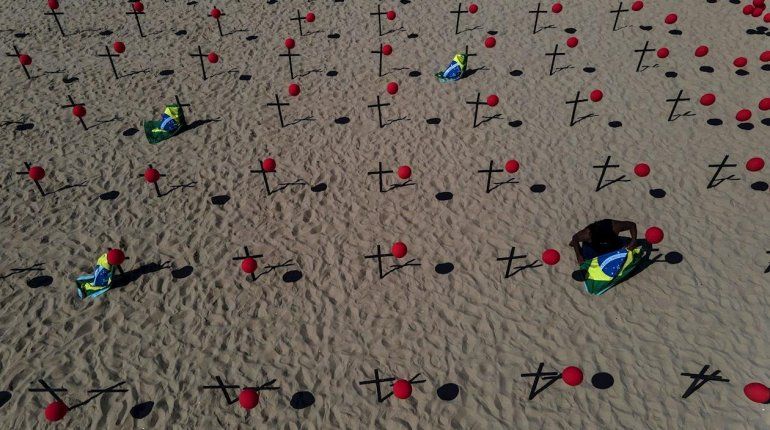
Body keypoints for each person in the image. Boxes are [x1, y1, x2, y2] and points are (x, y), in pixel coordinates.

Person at [569, 219, 637, 264]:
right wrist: (578, 255)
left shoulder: (615, 227)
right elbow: (575, 238)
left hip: (611, 242)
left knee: (623, 251)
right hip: (595, 246)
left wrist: (633, 242)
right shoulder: (587, 234)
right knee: (586, 257)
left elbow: (632, 225)